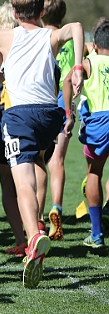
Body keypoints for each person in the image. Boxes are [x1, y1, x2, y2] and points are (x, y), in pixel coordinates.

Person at [0, 0, 84, 288]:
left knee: (21, 180)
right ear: (42, 12)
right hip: (49, 114)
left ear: (14, 13)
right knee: (39, 162)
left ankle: (33, 236)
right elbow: (77, 27)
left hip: (20, 115)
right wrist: (77, 67)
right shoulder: (50, 35)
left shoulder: (5, 37)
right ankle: (37, 220)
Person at [0, 2, 26, 256]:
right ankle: (36, 229)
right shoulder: (32, 41)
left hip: (7, 113)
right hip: (35, 113)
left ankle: (22, 238)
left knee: (8, 182)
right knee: (32, 173)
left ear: (1, 23)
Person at [63, 22, 109, 249]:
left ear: (96, 43)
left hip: (99, 123)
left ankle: (97, 234)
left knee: (94, 174)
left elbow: (66, 82)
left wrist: (69, 114)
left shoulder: (88, 63)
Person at [42, 0, 71, 241]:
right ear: (62, 15)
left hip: (42, 102)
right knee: (58, 161)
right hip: (65, 102)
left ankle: (37, 217)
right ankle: (56, 208)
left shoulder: (39, 38)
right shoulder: (73, 42)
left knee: (39, 159)